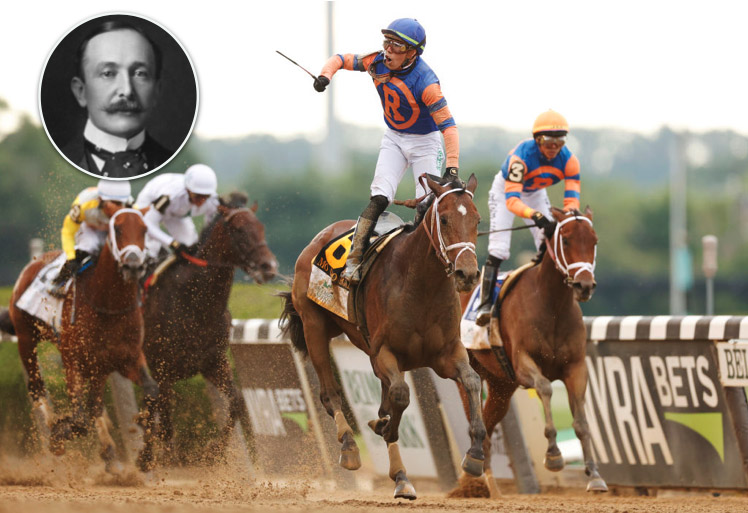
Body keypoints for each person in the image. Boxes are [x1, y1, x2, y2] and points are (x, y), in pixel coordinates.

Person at [313, 18, 460, 284]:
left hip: (425, 142)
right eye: (387, 43)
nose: (388, 51)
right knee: (379, 197)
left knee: (426, 204)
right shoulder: (376, 61)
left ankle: (424, 268)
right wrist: (325, 75)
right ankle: (354, 259)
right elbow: (340, 58)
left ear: (413, 52)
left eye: (397, 46)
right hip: (393, 138)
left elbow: (449, 129)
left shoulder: (427, 83)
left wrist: (452, 168)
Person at [474, 110, 580, 326]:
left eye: (559, 142)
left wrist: (568, 219)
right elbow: (512, 201)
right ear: (537, 140)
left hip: (535, 193)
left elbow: (571, 204)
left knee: (549, 240)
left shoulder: (570, 161)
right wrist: (535, 215)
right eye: (548, 142)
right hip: (506, 191)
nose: (553, 148)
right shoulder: (521, 159)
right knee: (499, 249)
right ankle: (485, 305)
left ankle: (547, 296)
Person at [61, 19, 172, 178]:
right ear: (81, 92)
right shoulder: (44, 168)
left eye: (139, 74)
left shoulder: (178, 169)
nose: (127, 91)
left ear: (156, 91)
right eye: (108, 74)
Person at [50, 179, 133, 292]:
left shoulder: (130, 207)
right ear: (101, 200)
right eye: (113, 203)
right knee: (89, 246)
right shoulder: (83, 205)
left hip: (112, 230)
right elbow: (68, 232)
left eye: (119, 204)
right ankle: (59, 282)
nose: (116, 208)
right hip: (89, 227)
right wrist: (71, 258)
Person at [135, 164, 219, 261]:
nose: (202, 201)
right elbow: (147, 223)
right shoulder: (171, 195)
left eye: (206, 196)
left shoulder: (213, 200)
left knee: (190, 246)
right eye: (197, 196)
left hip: (176, 214)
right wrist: (171, 242)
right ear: (188, 190)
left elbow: (209, 226)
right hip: (149, 205)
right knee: (152, 249)